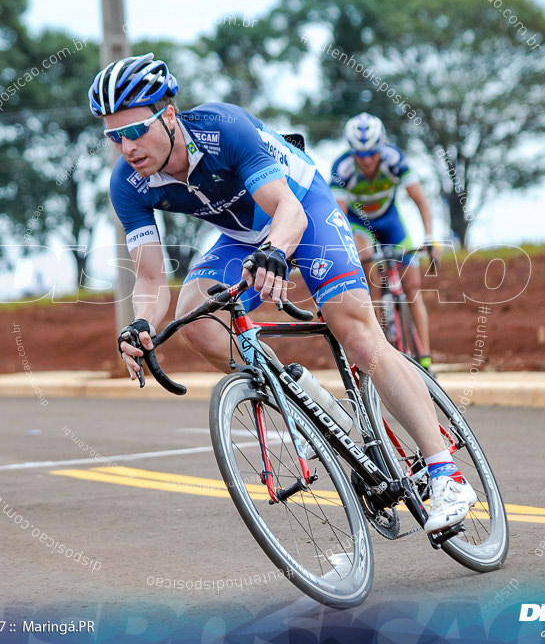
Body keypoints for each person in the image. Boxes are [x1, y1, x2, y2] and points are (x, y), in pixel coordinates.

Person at [89, 53, 474, 534]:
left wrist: (275, 252)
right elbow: (149, 277)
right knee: (197, 319)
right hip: (242, 236)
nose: (126, 146)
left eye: (136, 130)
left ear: (168, 115)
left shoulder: (223, 129)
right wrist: (141, 323)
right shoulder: (129, 183)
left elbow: (288, 211)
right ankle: (312, 406)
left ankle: (446, 474)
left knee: (354, 332)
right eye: (113, 136)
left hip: (302, 206)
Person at [330, 113, 439, 371]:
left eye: (372, 153)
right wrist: (347, 253)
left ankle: (425, 358)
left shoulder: (394, 159)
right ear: (351, 151)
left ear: (382, 149)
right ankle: (381, 346)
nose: (367, 160)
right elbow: (339, 216)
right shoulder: (342, 168)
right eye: (360, 154)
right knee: (369, 272)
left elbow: (421, 201)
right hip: (359, 224)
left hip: (391, 222)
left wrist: (429, 237)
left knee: (413, 288)